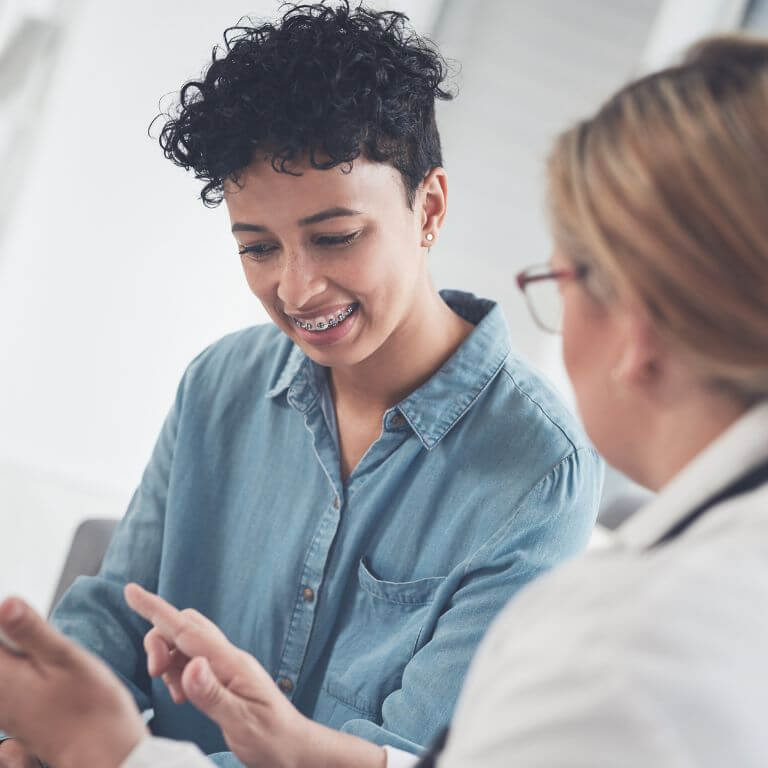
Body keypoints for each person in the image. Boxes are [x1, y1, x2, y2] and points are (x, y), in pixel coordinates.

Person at [1, 30, 766, 768]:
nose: (297, 288)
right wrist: (35, 734)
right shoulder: (220, 381)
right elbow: (116, 608)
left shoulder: (541, 470)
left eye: (336, 237)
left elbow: (414, 752)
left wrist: (107, 752)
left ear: (428, 208)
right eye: (258, 247)